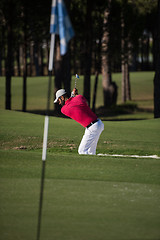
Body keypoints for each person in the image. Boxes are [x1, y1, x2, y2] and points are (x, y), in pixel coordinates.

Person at [54, 88, 104, 155]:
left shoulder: (64, 109)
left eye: (58, 100)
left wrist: (73, 95)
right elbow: (78, 100)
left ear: (62, 97)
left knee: (82, 151)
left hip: (93, 127)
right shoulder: (79, 97)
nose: (59, 103)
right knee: (90, 152)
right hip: (98, 124)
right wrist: (75, 95)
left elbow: (70, 104)